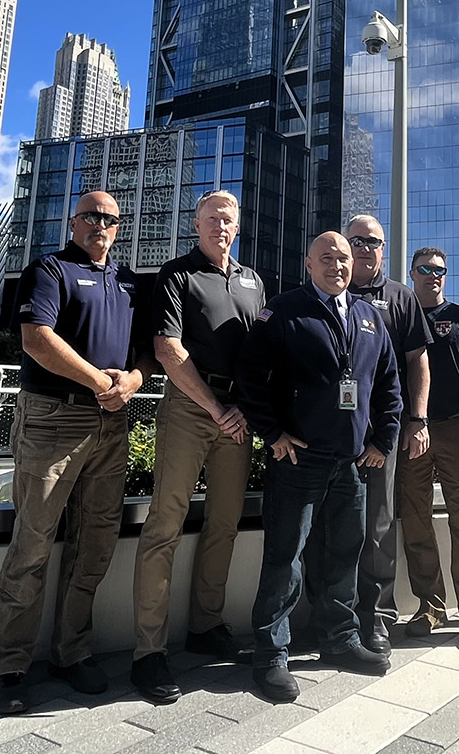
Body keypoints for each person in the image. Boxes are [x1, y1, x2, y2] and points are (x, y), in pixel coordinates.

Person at [0, 191, 151, 715]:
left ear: (119, 228)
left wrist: (133, 381)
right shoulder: (49, 270)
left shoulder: (127, 281)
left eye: (111, 219)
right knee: (33, 542)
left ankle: (71, 652)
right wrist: (100, 379)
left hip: (112, 419)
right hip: (55, 418)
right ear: (74, 222)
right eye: (91, 216)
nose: (101, 224)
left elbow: (146, 351)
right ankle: (7, 664)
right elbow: (36, 339)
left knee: (95, 542)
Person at [236, 231, 403, 703]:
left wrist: (382, 441)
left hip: (350, 461)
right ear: (308, 265)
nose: (337, 265)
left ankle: (340, 639)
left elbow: (389, 384)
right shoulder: (286, 310)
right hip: (299, 460)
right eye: (326, 257)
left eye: (344, 258)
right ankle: (270, 655)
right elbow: (250, 376)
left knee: (343, 556)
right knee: (285, 558)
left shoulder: (371, 317)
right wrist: (273, 433)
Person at [129, 190, 268, 705]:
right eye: (212, 219)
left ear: (238, 226)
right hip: (192, 408)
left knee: (225, 523)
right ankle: (148, 651)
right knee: (165, 524)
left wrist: (248, 409)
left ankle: (205, 625)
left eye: (228, 220)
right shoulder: (177, 274)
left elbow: (263, 351)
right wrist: (215, 408)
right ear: (197, 224)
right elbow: (167, 349)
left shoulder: (254, 281)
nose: (220, 226)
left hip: (239, 414)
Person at [301, 214, 429, 652]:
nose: (364, 249)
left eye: (373, 241)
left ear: (383, 247)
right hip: (328, 433)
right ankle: (326, 613)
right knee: (322, 524)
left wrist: (417, 420)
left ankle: (376, 615)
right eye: (356, 240)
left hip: (381, 432)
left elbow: (416, 365)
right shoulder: (327, 291)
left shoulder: (401, 297)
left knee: (377, 524)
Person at [397, 247, 459, 650]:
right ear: (411, 273)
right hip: (411, 432)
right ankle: (431, 606)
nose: (433, 275)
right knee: (415, 519)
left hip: (458, 429)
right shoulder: (398, 316)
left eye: (439, 270)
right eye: (425, 269)